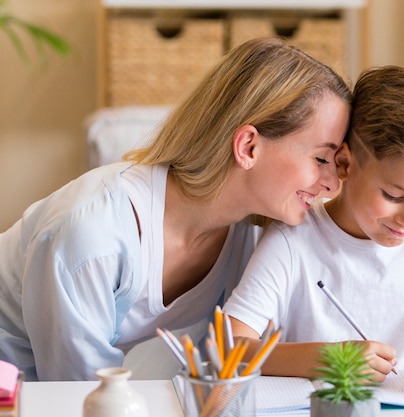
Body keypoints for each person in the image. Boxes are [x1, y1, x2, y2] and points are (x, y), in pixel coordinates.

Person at [0, 37, 353, 381]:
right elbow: (82, 396)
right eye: (321, 158)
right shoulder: (93, 235)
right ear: (248, 147)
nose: (332, 184)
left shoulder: (253, 232)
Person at [224, 65, 404, 399]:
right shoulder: (292, 239)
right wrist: (330, 359)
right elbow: (228, 349)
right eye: (393, 196)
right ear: (344, 164)